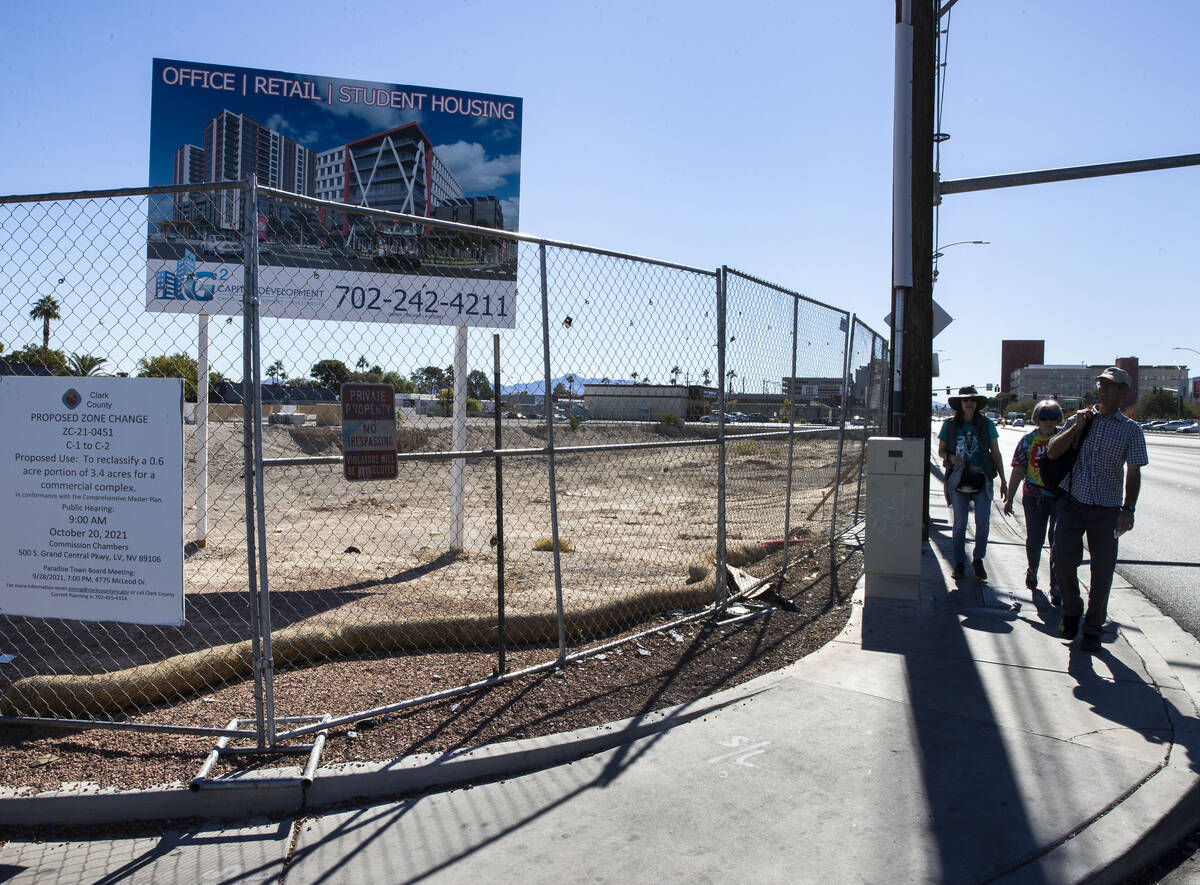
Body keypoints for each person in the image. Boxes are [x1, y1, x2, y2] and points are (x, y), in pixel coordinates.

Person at [1046, 367, 1148, 653]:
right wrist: (1076, 428)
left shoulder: (1131, 430)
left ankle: (1092, 628)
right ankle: (1072, 608)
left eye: (1110, 385)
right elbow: (1053, 452)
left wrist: (1128, 509)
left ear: (1123, 392)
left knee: (1102, 573)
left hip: (1107, 509)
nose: (1102, 389)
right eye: (1100, 384)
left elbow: (1135, 471)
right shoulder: (1081, 419)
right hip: (1072, 503)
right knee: (1062, 562)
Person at [937, 386, 1008, 580]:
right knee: (960, 523)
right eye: (966, 400)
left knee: (983, 521)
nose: (969, 403)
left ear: (977, 404)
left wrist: (1003, 480)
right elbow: (941, 451)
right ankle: (959, 562)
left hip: (982, 475)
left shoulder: (986, 424)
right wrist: (951, 457)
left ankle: (978, 559)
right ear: (959, 404)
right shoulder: (950, 425)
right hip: (958, 475)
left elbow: (996, 453)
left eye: (973, 400)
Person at [1003, 399, 1064, 606]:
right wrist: (1010, 497)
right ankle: (1032, 569)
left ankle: (1056, 585)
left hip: (1059, 497)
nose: (1048, 422)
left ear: (1059, 419)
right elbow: (1019, 469)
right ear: (1037, 419)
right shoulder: (1028, 441)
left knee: (1058, 541)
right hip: (1033, 496)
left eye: (1053, 417)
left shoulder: (1065, 438)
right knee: (1035, 539)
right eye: (1044, 418)